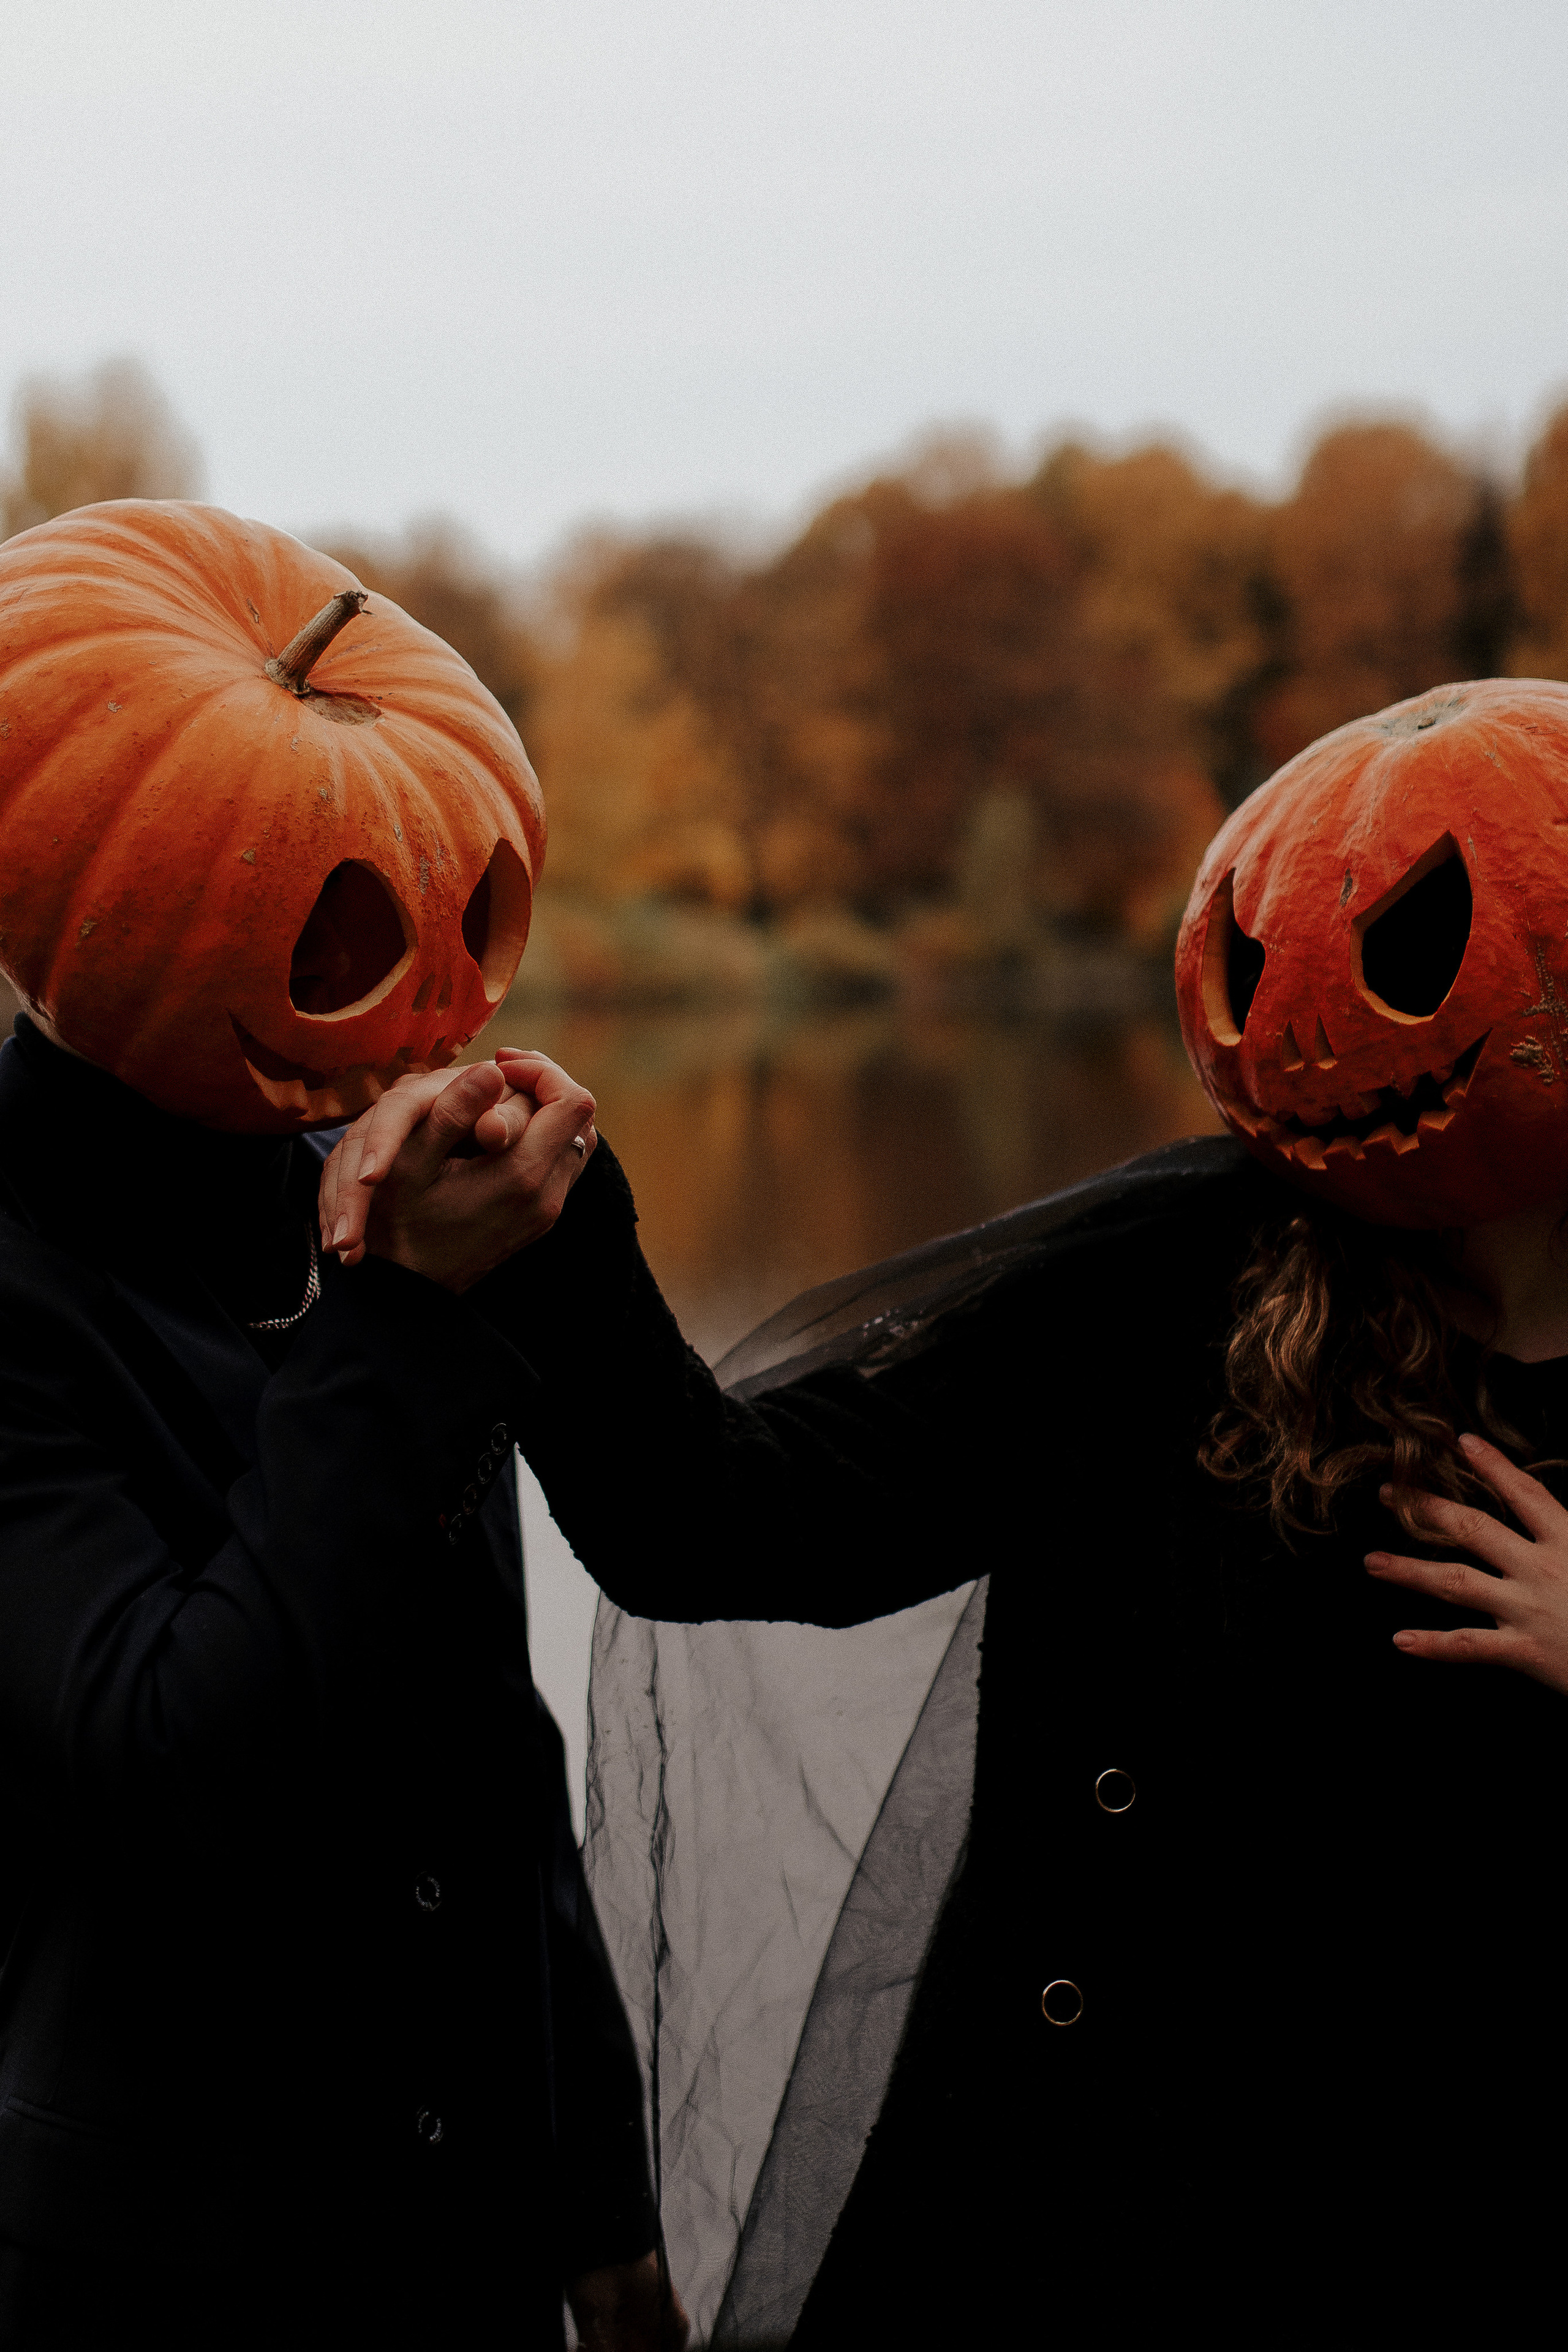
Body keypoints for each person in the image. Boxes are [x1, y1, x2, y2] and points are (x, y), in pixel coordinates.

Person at [324, 678, 1568, 2339]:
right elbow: (719, 1520)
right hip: (1070, 2225)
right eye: (1269, 966)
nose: (1331, 1028)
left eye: (1413, 952)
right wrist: (539, 1236)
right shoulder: (1178, 1276)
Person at [0, 501, 688, 2351]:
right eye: (334, 926)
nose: (408, 994)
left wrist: (598, 2188)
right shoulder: (25, 1292)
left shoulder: (366, 1195)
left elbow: (488, 1741)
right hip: (172, 2272)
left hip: (465, 2241)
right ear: (90, 880)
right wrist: (395, 1324)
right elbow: (173, 1756)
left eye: (437, 911)